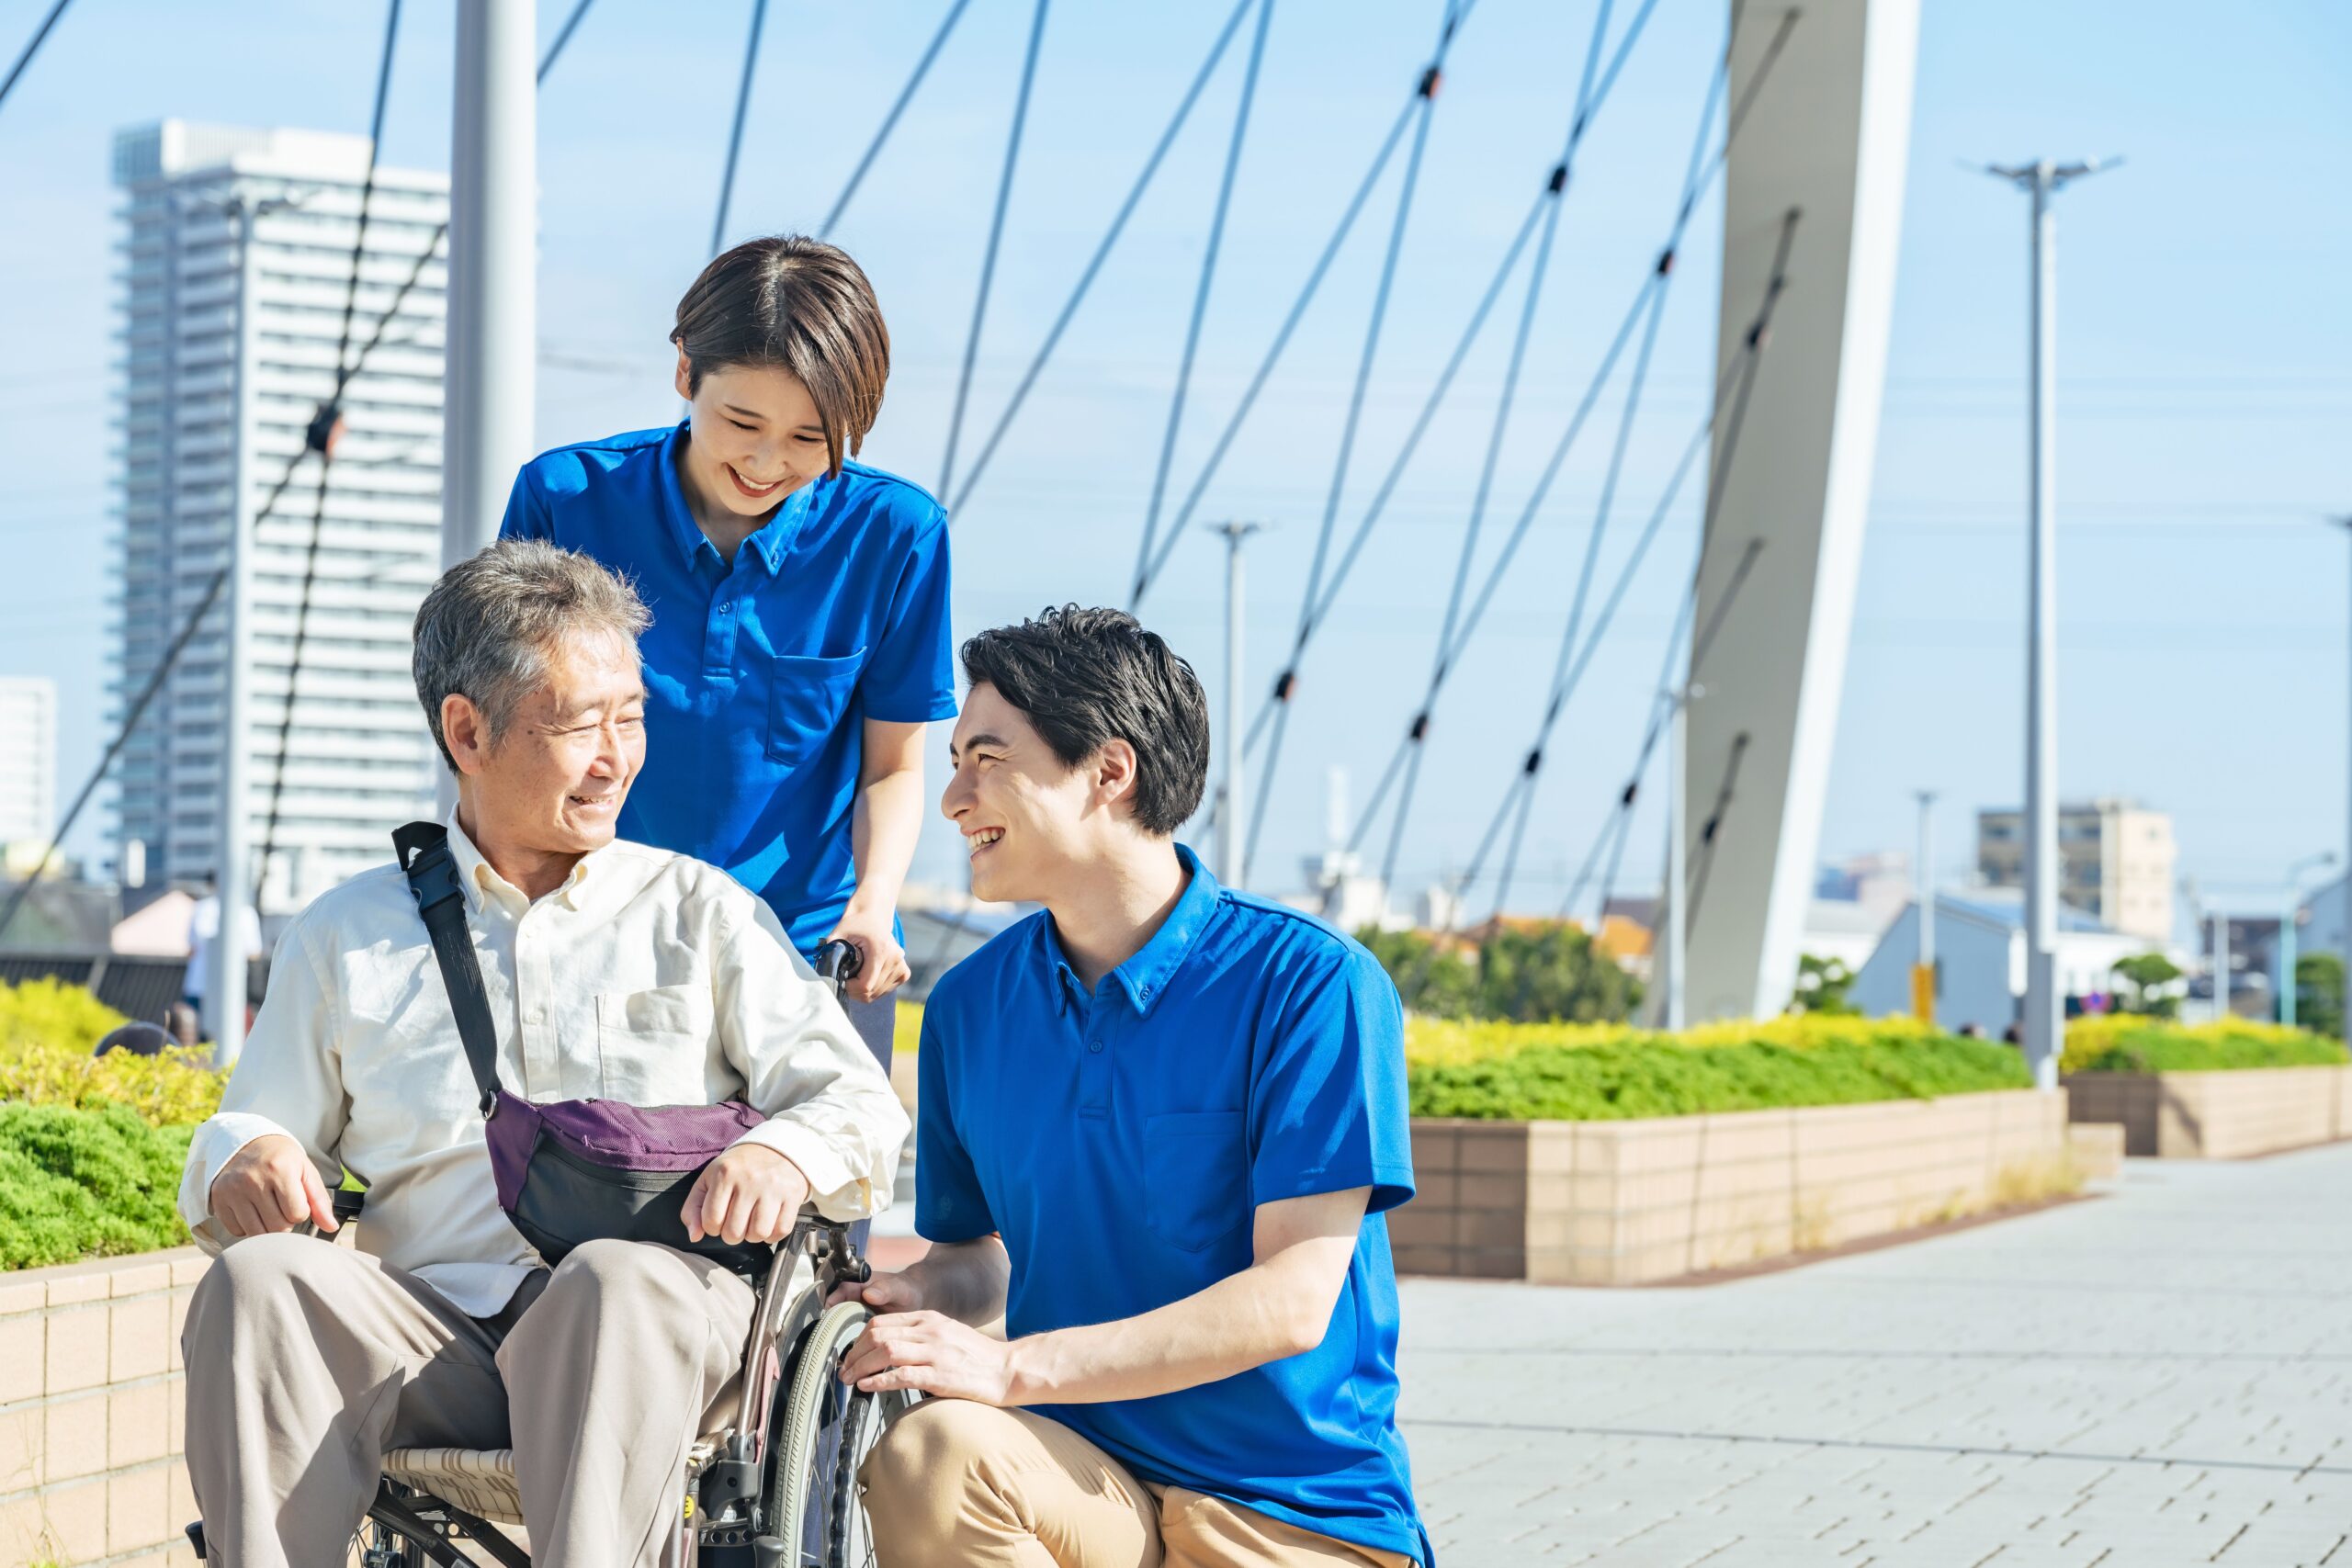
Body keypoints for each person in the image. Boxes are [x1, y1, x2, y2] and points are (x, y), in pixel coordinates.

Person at [175, 541, 908, 1568]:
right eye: (578, 725)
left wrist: (784, 1155)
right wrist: (242, 1154)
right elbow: (256, 1124)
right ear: (465, 731)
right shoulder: (345, 932)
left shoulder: (700, 912)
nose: (615, 756)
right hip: (441, 1334)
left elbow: (862, 1107)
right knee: (256, 1285)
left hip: (663, 1321)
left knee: (608, 1285)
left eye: (631, 717)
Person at [839, 606, 1429, 1567]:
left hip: (1286, 1509)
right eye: (953, 759)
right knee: (932, 1451)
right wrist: (907, 1295)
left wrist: (1012, 1366)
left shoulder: (1310, 983)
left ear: (1110, 773)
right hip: (1082, 1475)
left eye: (986, 757)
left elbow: (1292, 1300)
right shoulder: (967, 1010)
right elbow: (978, 1257)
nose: (951, 797)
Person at [500, 234, 954, 1077]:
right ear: (684, 373)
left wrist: (873, 906)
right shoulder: (565, 501)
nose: (766, 460)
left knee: (811, 1202)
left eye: (811, 438)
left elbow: (893, 766)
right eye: (741, 421)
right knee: (598, 1208)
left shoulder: (896, 534)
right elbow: (514, 738)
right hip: (604, 950)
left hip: (816, 956)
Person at [182, 875, 263, 1037]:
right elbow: (254, 953)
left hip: (198, 983)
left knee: (193, 1038)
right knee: (232, 1037)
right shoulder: (245, 912)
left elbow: (191, 950)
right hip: (233, 987)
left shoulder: (200, 909)